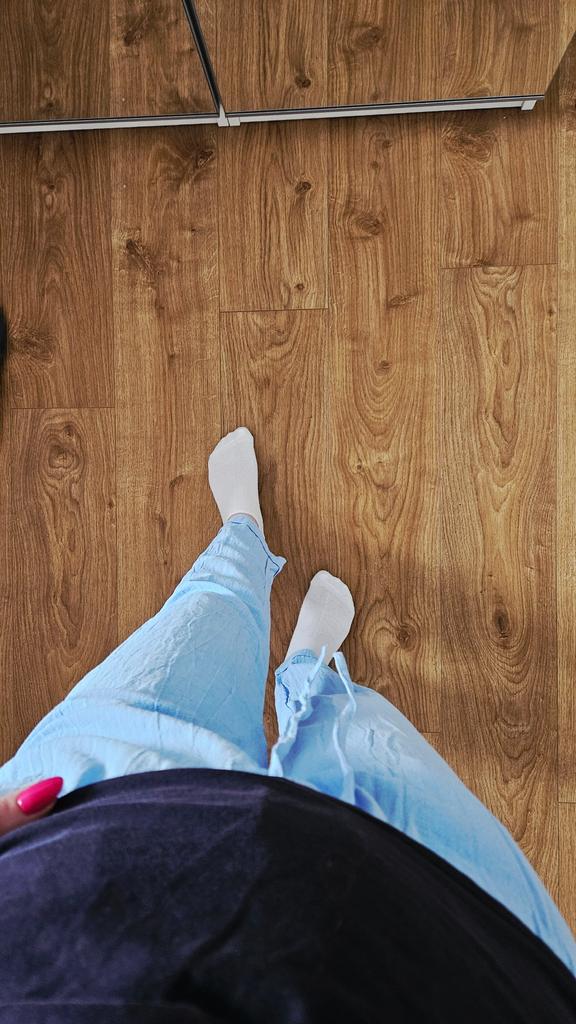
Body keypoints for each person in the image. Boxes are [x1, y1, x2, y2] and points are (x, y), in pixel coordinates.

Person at [0, 426, 575, 1023]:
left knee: (197, 633)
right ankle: (306, 672)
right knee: (362, 745)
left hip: (85, 839)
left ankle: (242, 534)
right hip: (437, 940)